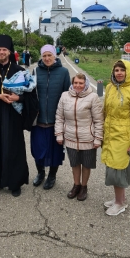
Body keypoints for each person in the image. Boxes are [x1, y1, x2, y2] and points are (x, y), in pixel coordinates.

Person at [0, 34, 38, 197]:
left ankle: (14, 183)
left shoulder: (19, 71)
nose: (1, 52)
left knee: (14, 148)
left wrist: (18, 97)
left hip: (13, 115)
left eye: (4, 49)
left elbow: (31, 95)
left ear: (10, 51)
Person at [102, 60, 130, 216]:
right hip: (110, 134)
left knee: (118, 170)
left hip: (123, 137)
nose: (119, 73)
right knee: (111, 167)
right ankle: (120, 199)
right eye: (116, 70)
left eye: (122, 70)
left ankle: (120, 203)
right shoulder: (109, 87)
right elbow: (104, 111)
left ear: (129, 72)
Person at [55, 73, 104, 201]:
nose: (78, 85)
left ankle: (84, 187)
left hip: (88, 138)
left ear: (85, 84)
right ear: (72, 83)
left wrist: (98, 138)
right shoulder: (65, 96)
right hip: (70, 137)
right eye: (75, 83)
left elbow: (99, 120)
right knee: (75, 163)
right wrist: (59, 134)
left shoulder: (93, 97)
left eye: (81, 83)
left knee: (86, 164)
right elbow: (59, 117)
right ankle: (76, 185)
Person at [31, 44, 70, 189]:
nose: (47, 58)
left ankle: (52, 175)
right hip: (38, 119)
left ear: (55, 56)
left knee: (55, 151)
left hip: (56, 120)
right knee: (38, 149)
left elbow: (67, 95)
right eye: (44, 56)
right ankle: (40, 173)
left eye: (50, 55)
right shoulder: (35, 71)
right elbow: (30, 92)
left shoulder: (63, 72)